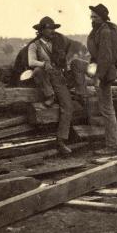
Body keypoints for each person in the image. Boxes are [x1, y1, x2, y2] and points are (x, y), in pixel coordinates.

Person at [74, 3, 117, 154]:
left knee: (107, 110)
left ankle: (111, 146)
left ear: (102, 17)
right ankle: (81, 92)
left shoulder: (105, 32)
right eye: (91, 16)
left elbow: (106, 56)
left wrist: (98, 78)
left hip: (104, 73)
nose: (92, 18)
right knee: (75, 63)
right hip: (100, 69)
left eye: (95, 17)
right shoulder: (100, 29)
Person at [27, 16, 80, 156]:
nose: (52, 31)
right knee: (37, 70)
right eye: (49, 28)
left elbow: (71, 49)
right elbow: (31, 62)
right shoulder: (34, 45)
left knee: (67, 106)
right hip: (44, 75)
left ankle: (61, 140)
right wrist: (43, 64)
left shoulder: (57, 43)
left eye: (53, 28)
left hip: (57, 76)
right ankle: (49, 95)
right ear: (41, 30)